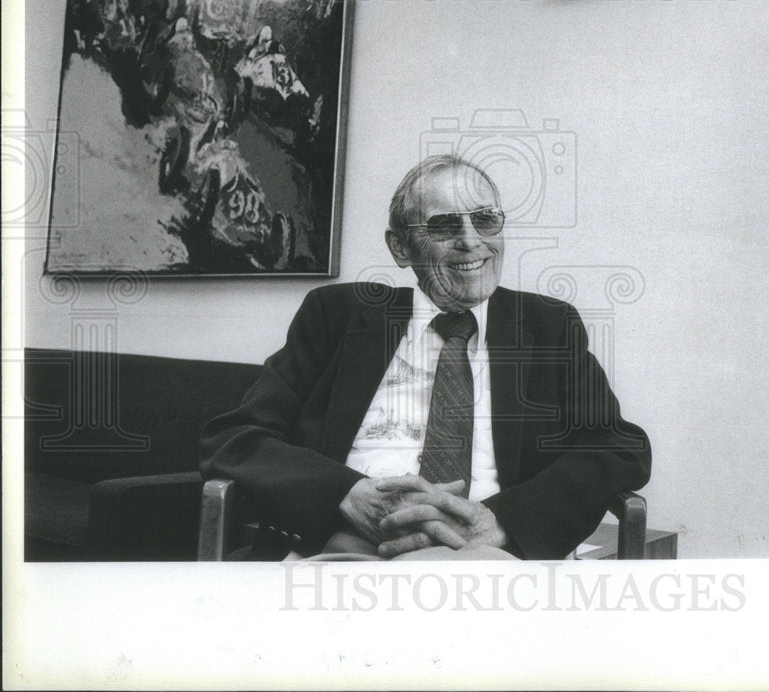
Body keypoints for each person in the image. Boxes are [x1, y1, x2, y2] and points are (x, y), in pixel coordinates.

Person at [200, 155, 651, 560]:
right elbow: (235, 438)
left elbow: (618, 446)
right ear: (401, 248)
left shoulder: (547, 325)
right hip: (347, 549)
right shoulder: (337, 316)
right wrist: (346, 494)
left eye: (486, 220)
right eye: (444, 226)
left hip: (484, 557)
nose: (472, 242)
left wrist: (503, 522)